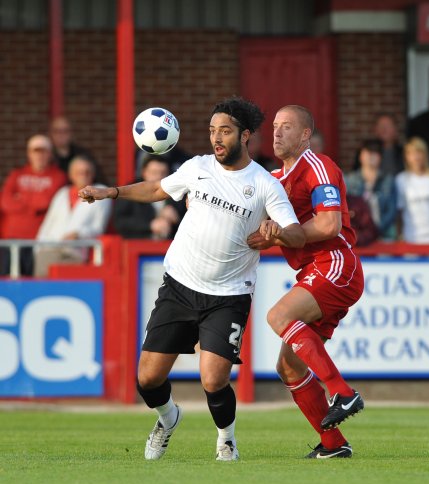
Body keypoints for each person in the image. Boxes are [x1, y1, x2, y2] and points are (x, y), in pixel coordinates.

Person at [78, 97, 304, 462]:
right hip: (180, 286)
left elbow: (297, 234)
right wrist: (112, 192)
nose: (217, 138)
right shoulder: (197, 167)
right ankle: (168, 419)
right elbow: (156, 190)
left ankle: (226, 440)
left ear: (245, 135)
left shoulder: (265, 184)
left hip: (228, 295)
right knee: (147, 379)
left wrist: (277, 230)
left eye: (225, 131)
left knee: (213, 380)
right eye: (213, 130)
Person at [250, 104, 365, 459]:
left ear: (305, 135)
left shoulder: (318, 166)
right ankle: (333, 445)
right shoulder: (271, 179)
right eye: (275, 126)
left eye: (287, 126)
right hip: (314, 270)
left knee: (278, 317)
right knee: (288, 366)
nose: (277, 132)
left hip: (335, 264)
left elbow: (329, 225)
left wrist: (280, 235)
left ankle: (342, 392)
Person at [0, 134, 66, 276]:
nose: (39, 156)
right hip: (10, 238)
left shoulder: (57, 176)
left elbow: (45, 202)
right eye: (36, 151)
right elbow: (5, 202)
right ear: (29, 153)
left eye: (43, 151)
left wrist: (20, 198)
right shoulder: (17, 174)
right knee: (6, 279)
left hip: (38, 240)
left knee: (31, 281)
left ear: (50, 153)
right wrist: (32, 206)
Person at [35, 155, 112, 276]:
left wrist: (78, 233)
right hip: (49, 248)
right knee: (42, 289)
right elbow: (48, 223)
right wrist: (38, 247)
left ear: (93, 174)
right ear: (71, 175)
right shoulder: (62, 193)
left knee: (66, 290)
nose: (83, 175)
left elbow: (98, 228)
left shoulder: (101, 192)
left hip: (75, 252)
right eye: (79, 172)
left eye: (87, 172)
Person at [113, 155, 186, 240]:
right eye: (154, 173)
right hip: (137, 246)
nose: (159, 177)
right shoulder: (130, 191)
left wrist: (177, 219)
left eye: (163, 173)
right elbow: (120, 222)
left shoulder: (178, 194)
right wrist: (150, 225)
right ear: (144, 172)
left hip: (170, 246)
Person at [395, 137, 429, 244]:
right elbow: (399, 210)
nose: (416, 157)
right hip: (411, 236)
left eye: (419, 152)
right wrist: (399, 235)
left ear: (425, 154)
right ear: (406, 157)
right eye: (411, 153)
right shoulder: (401, 179)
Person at [344, 139, 397, 241]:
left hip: (384, 236)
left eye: (375, 152)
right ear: (361, 156)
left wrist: (375, 230)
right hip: (358, 237)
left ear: (380, 157)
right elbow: (345, 210)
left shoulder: (388, 181)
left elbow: (391, 211)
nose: (372, 156)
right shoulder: (349, 180)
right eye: (368, 152)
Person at [353, 113, 404, 177]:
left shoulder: (404, 153)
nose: (384, 129)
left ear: (396, 130)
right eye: (381, 125)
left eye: (388, 125)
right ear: (375, 130)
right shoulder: (366, 151)